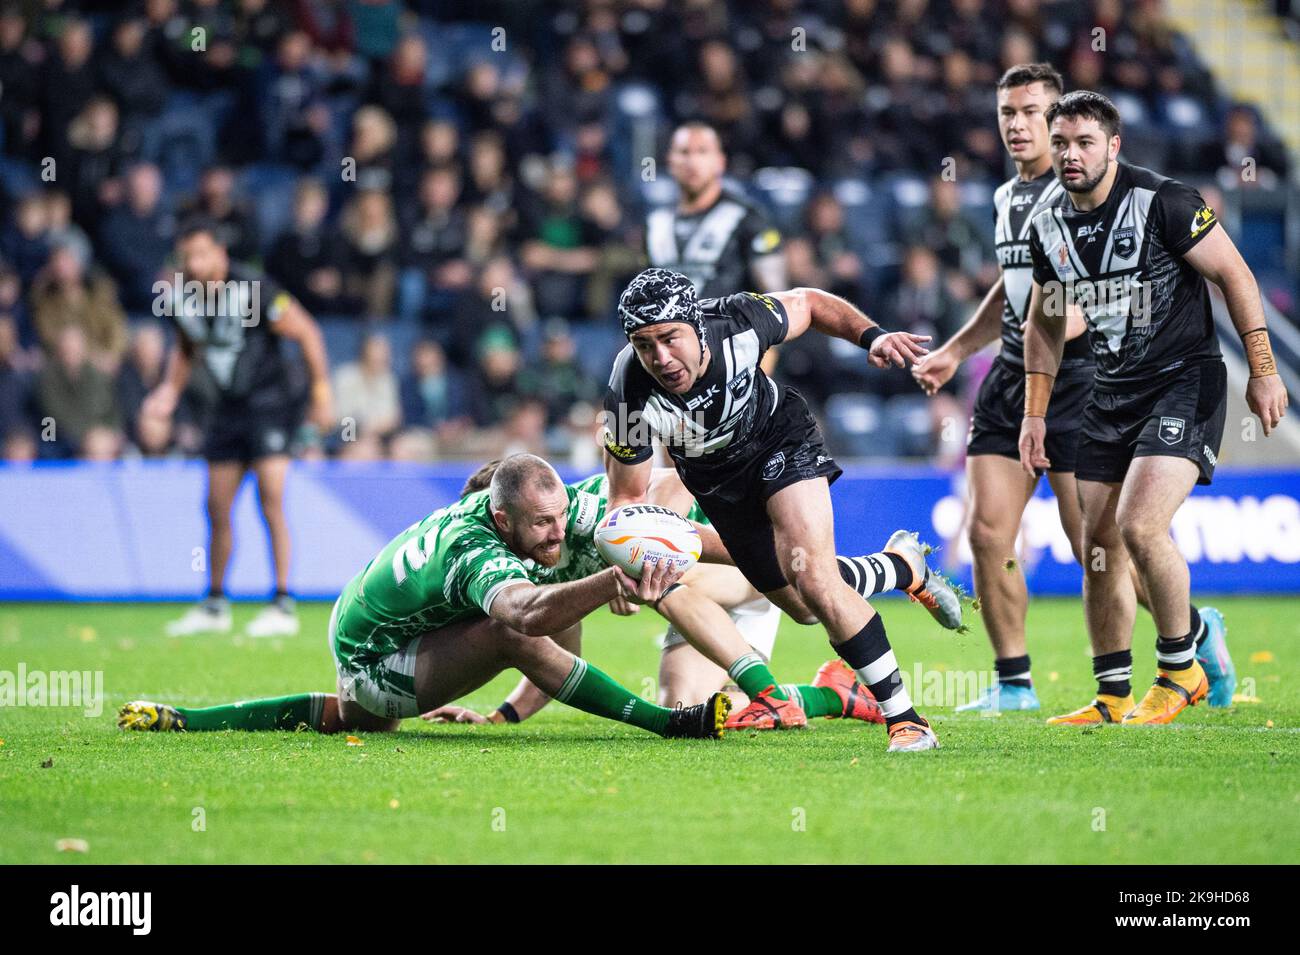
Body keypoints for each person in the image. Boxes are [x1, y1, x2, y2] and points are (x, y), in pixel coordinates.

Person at [118, 454, 729, 741]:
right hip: (372, 659)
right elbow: (526, 619)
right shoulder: (471, 548)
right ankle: (664, 723)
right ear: (501, 517)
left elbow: (646, 510)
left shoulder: (543, 511)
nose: (556, 530)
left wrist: (774, 558)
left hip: (376, 628)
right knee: (511, 625)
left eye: (559, 516)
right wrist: (612, 582)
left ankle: (188, 720)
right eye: (540, 523)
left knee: (359, 722)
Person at [602, 267, 962, 751]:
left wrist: (871, 336)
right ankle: (900, 567)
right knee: (806, 607)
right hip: (718, 487)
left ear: (695, 324)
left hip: (779, 439)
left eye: (670, 338)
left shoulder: (739, 323)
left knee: (814, 579)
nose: (661, 357)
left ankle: (906, 720)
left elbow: (809, 302)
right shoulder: (627, 394)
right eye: (645, 345)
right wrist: (625, 561)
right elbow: (626, 499)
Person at [1019, 91, 1287, 725]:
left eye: (1084, 142)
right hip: (1110, 393)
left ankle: (1180, 670)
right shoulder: (1049, 225)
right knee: (1099, 548)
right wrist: (1034, 414)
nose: (1070, 155)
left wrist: (1265, 370)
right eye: (1060, 143)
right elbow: (1045, 323)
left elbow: (1235, 274)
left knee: (1140, 526)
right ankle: (1111, 696)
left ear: (1114, 146)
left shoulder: (1164, 201)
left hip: (1183, 380)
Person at [425, 461, 948, 729]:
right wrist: (501, 717)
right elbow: (559, 662)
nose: (495, 556)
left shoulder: (583, 513)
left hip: (724, 572)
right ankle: (835, 694)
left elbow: (673, 479)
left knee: (799, 595)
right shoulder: (538, 580)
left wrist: (657, 540)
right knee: (691, 708)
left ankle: (900, 566)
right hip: (702, 600)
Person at [144, 219, 334, 638]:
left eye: (202, 254)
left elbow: (306, 332)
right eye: (188, 256)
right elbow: (186, 348)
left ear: (220, 254)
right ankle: (215, 603)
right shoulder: (182, 300)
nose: (195, 263)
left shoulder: (255, 289)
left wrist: (321, 393)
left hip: (269, 405)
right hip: (225, 410)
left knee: (271, 500)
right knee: (216, 507)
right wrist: (168, 392)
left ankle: (282, 602)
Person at [646, 121, 785, 298]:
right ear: (670, 162)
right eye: (684, 152)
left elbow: (776, 298)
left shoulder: (748, 218)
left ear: (720, 162)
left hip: (730, 325)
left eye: (702, 152)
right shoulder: (655, 223)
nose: (692, 161)